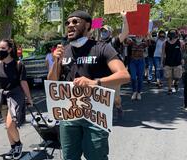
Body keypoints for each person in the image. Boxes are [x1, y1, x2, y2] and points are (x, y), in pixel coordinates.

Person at [48, 10, 130, 160]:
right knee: (69, 157)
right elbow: (52, 82)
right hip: (69, 113)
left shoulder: (102, 48)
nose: (70, 25)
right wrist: (55, 62)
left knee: (96, 157)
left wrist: (94, 82)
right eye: (68, 23)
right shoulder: (64, 51)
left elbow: (124, 75)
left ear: (87, 25)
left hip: (95, 114)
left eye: (75, 22)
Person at [0, 39, 33, 160]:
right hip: (3, 96)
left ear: (10, 49)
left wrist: (29, 98)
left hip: (16, 95)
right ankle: (13, 147)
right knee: (7, 125)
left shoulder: (18, 64)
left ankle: (18, 145)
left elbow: (23, 82)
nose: (0, 51)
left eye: (3, 48)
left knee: (10, 124)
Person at [99, 11, 129, 120]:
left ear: (110, 33)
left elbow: (125, 33)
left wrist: (124, 17)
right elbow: (89, 31)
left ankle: (118, 106)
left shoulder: (114, 41)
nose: (103, 33)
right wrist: (97, 20)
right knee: (102, 97)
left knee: (116, 97)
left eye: (105, 31)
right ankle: (105, 116)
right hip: (101, 75)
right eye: (102, 31)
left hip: (114, 75)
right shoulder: (97, 43)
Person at [162, 29, 185, 94]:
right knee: (169, 77)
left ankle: (175, 82)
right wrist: (162, 62)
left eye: (173, 33)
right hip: (168, 62)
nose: (172, 35)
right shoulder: (165, 43)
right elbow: (163, 53)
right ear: (169, 35)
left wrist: (182, 59)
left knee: (178, 76)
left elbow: (183, 51)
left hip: (177, 62)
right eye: (171, 33)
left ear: (176, 35)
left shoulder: (180, 42)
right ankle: (169, 89)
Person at [127, 36, 148, 100]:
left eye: (140, 35)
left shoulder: (144, 44)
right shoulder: (131, 43)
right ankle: (134, 92)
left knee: (140, 78)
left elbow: (150, 42)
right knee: (133, 78)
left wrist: (147, 34)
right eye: (137, 35)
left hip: (141, 61)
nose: (139, 36)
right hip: (133, 61)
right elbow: (125, 42)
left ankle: (138, 93)